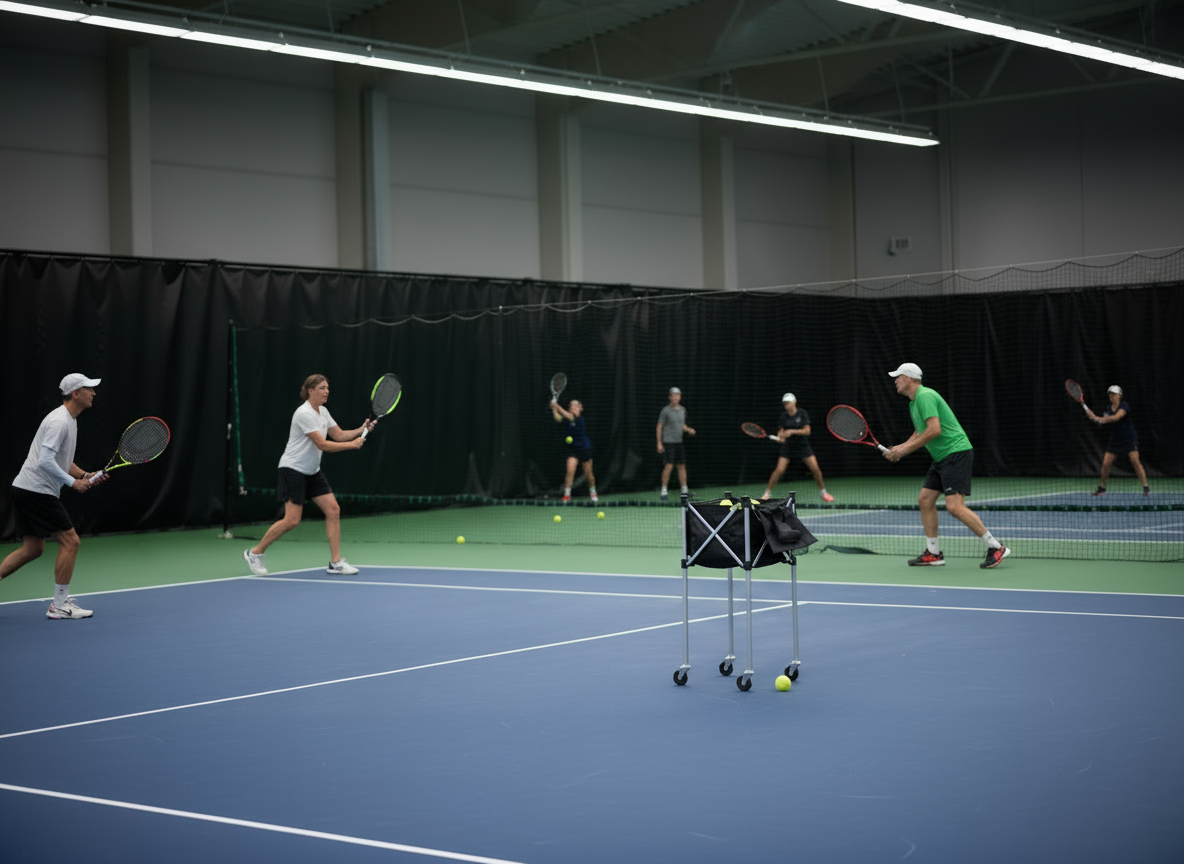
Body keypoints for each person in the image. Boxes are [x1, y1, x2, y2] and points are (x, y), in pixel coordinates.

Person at [1, 373, 108, 618]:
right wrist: (73, 484)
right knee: (71, 541)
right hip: (37, 490)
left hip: (26, 488)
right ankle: (59, 605)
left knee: (33, 548)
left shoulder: (70, 420)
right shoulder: (59, 421)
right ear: (75, 393)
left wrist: (84, 475)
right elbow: (45, 461)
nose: (94, 393)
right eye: (88, 389)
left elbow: (62, 460)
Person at [243, 374, 373, 577]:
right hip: (293, 469)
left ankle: (336, 562)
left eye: (327, 388)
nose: (326, 391)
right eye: (322, 388)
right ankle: (255, 553)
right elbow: (322, 444)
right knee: (292, 520)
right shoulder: (304, 414)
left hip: (312, 471)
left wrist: (360, 430)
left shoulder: (323, 411)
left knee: (333, 509)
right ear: (310, 390)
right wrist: (352, 445)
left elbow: (338, 434)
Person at [884, 363, 1009, 569]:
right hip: (942, 457)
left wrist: (905, 451)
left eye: (898, 377)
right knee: (925, 499)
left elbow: (934, 430)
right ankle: (933, 553)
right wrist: (898, 448)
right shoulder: (914, 403)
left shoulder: (925, 396)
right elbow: (919, 432)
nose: (895, 381)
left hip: (955, 452)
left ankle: (995, 546)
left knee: (954, 506)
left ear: (908, 378)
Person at [760, 393, 834, 503]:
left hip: (802, 446)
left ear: (794, 402)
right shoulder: (783, 416)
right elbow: (780, 430)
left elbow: (807, 431)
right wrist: (780, 436)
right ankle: (767, 492)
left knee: (815, 469)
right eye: (784, 403)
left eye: (788, 403)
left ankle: (824, 492)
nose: (786, 405)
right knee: (779, 470)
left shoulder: (802, 414)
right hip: (788, 447)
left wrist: (792, 432)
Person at [1087, 385, 1149, 497]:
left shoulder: (1124, 406)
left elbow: (1116, 418)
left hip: (1129, 438)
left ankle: (1146, 488)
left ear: (1119, 395)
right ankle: (1102, 488)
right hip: (1115, 439)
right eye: (1110, 394)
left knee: (1135, 461)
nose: (1111, 396)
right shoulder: (1108, 410)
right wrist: (1093, 418)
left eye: (1114, 394)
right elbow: (1102, 422)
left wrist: (1098, 418)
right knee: (1106, 463)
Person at [550, 397, 597, 503]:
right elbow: (558, 418)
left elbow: (566, 414)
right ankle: (567, 495)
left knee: (589, 474)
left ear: (581, 408)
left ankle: (593, 493)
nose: (573, 407)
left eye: (576, 405)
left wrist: (556, 405)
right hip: (573, 450)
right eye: (571, 405)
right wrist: (554, 409)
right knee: (570, 471)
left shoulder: (579, 419)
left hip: (585, 448)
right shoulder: (568, 418)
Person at [656, 387, 696, 501]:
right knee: (669, 466)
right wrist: (659, 442)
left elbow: (681, 424)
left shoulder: (683, 410)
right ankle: (664, 491)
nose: (675, 397)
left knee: (681, 466)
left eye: (677, 395)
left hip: (679, 442)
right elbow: (659, 426)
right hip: (668, 442)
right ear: (670, 397)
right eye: (673, 395)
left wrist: (688, 429)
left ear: (680, 397)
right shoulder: (665, 411)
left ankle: (685, 491)